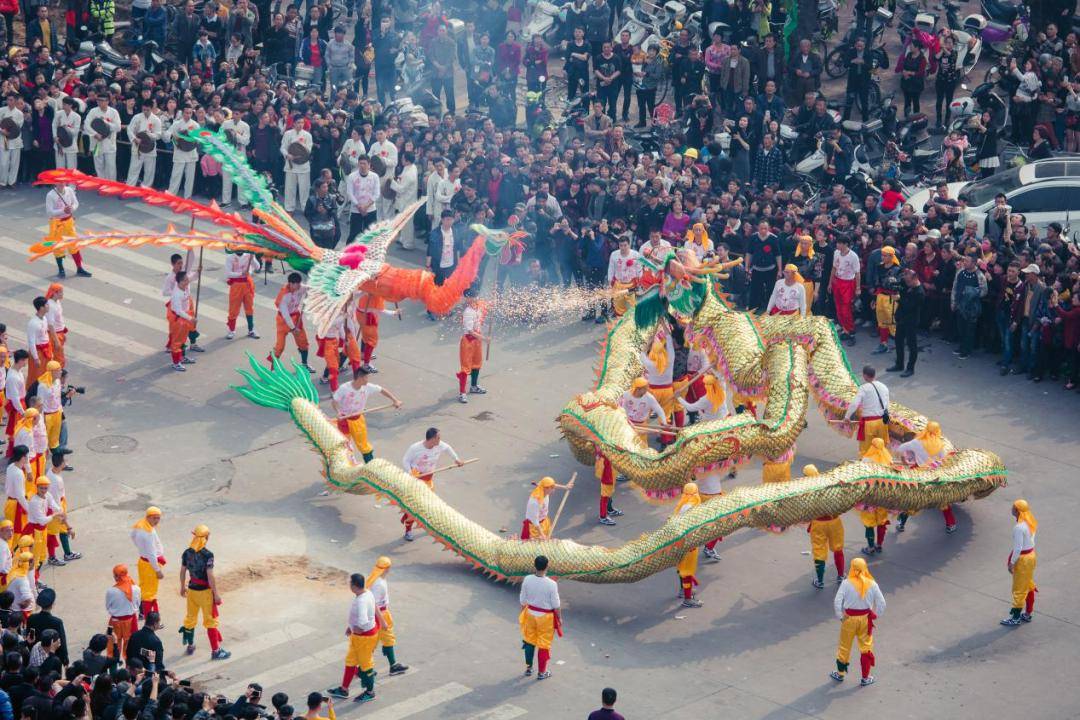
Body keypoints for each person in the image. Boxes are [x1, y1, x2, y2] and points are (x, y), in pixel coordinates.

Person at [325, 572, 383, 703]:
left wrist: (358, 628)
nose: (349, 585)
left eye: (350, 583)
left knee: (366, 665)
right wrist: (351, 627)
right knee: (350, 661)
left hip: (364, 638)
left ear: (355, 586)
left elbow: (363, 620)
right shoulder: (367, 593)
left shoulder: (361, 601)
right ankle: (344, 689)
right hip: (360, 636)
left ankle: (370, 692)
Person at [830, 557, 886, 686]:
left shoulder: (846, 583)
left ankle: (840, 673)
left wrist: (840, 616)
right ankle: (865, 677)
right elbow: (882, 603)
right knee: (866, 647)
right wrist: (876, 615)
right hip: (865, 619)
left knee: (844, 646)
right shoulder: (872, 583)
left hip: (849, 619)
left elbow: (837, 601)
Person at [400, 428, 463, 541]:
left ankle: (429, 524)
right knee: (415, 507)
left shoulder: (439, 445)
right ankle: (408, 530)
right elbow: (405, 460)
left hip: (428, 480)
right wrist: (410, 473)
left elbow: (448, 448)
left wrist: (456, 459)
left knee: (429, 504)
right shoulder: (415, 448)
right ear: (432, 439)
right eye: (438, 437)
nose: (440, 439)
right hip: (416, 480)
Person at [179, 524, 230, 659]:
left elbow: (183, 571)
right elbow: (210, 576)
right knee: (210, 621)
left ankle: (190, 645)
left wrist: (182, 587)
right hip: (205, 593)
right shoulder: (208, 555)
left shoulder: (187, 553)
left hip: (191, 590)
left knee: (190, 618)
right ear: (206, 537)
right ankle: (216, 651)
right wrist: (216, 594)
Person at [332, 369, 403, 464]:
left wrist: (395, 400)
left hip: (357, 419)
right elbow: (334, 402)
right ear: (360, 378)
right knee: (344, 444)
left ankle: (370, 465)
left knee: (363, 444)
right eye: (366, 377)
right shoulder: (344, 388)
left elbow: (382, 390)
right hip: (344, 420)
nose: (368, 380)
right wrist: (338, 412)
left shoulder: (367, 387)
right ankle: (344, 465)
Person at [518, 555, 561, 679]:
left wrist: (524, 613)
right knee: (543, 644)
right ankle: (542, 672)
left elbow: (523, 600)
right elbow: (556, 605)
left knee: (529, 641)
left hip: (530, 613)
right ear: (547, 566)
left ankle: (529, 668)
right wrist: (559, 618)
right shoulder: (552, 584)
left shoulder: (527, 579)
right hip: (545, 617)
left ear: (534, 565)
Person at [804, 464, 845, 588]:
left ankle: (820, 581)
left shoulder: (806, 491)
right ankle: (841, 576)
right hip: (834, 522)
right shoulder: (829, 484)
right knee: (838, 548)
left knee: (819, 551)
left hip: (819, 524)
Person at [365, 557, 407, 676]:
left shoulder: (377, 579)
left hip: (380, 614)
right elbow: (375, 604)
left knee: (381, 641)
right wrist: (382, 620)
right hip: (379, 615)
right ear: (387, 568)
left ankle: (363, 668)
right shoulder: (379, 584)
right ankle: (365, 668)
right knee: (384, 640)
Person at [44, 183, 89, 279]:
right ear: (55, 183)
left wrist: (72, 208)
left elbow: (75, 203)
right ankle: (61, 270)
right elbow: (50, 212)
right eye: (59, 182)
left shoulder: (69, 190)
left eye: (63, 181)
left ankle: (79, 268)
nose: (61, 184)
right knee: (58, 247)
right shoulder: (50, 195)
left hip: (69, 222)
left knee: (74, 245)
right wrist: (63, 211)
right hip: (56, 224)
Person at [844, 365, 889, 455]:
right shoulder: (884, 387)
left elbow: (854, 404)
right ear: (874, 374)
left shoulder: (864, 388)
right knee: (881, 450)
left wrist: (847, 417)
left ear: (864, 375)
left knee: (866, 451)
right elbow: (887, 405)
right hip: (882, 423)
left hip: (869, 424)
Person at [270, 273, 311, 371]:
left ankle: (304, 364)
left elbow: (310, 289)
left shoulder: (300, 287)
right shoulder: (284, 296)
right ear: (291, 284)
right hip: (283, 320)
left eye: (300, 283)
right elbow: (286, 316)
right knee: (280, 346)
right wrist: (293, 328)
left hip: (296, 317)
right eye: (297, 284)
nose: (299, 286)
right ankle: (273, 368)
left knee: (303, 342)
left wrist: (312, 287)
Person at [859, 438, 893, 555]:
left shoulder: (867, 459)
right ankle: (879, 545)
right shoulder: (888, 458)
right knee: (882, 520)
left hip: (870, 496)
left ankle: (870, 547)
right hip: (883, 495)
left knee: (869, 522)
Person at [130, 507, 165, 618]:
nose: (157, 521)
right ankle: (148, 617)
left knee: (144, 588)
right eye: (154, 518)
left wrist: (141, 548)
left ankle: (141, 612)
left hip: (143, 562)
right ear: (148, 517)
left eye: (158, 518)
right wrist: (157, 570)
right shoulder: (148, 533)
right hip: (150, 565)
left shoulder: (140, 525)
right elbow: (151, 554)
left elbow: (132, 536)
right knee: (150, 593)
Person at [887, 268, 923, 377]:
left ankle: (910, 368)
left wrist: (898, 299)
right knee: (898, 342)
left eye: (909, 281)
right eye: (906, 281)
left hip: (911, 321)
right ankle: (899, 364)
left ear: (915, 279)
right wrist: (893, 283)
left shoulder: (919, 292)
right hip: (901, 319)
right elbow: (899, 286)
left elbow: (908, 306)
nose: (907, 283)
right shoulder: (906, 283)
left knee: (912, 345)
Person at [44, 453, 78, 564]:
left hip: (58, 505)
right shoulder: (55, 481)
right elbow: (56, 504)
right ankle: (52, 557)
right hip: (55, 510)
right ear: (61, 463)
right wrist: (68, 525)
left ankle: (68, 553)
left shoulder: (51, 471)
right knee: (52, 533)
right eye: (64, 460)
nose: (66, 462)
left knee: (62, 530)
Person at [673, 482, 703, 608]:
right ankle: (688, 599)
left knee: (682, 568)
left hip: (680, 542)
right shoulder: (692, 507)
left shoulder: (682, 504)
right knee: (687, 571)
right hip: (688, 544)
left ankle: (683, 590)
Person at [104, 564, 141, 664]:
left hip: (115, 621)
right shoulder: (136, 588)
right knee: (131, 647)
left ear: (116, 576)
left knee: (112, 645)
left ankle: (113, 666)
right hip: (131, 621)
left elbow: (108, 606)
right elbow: (138, 604)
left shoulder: (111, 591)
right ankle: (129, 667)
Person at [456, 291, 488, 404]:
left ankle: (474, 386)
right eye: (471, 297)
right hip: (468, 342)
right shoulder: (468, 312)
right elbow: (470, 331)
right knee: (465, 367)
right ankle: (462, 393)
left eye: (475, 297)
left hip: (477, 341)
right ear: (467, 298)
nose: (474, 299)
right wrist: (484, 338)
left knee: (476, 363)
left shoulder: (478, 308)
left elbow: (479, 324)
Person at [26, 588, 67, 669]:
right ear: (52, 604)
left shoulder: (31, 618)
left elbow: (29, 637)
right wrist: (65, 660)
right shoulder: (57, 622)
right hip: (53, 658)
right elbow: (62, 643)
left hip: (36, 655)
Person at [830, 236, 860, 343]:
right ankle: (845, 329)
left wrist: (858, 288)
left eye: (839, 243)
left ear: (846, 244)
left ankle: (851, 331)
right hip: (837, 281)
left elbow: (857, 273)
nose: (837, 245)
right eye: (837, 243)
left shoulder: (853, 256)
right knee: (838, 308)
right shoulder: (836, 253)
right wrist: (830, 282)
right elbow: (834, 268)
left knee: (846, 309)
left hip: (848, 283)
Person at [83, 95, 121, 181]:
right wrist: (95, 134)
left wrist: (105, 124)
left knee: (110, 166)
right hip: (96, 143)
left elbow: (118, 127)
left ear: (107, 101)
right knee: (98, 165)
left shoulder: (113, 112)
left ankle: (111, 185)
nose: (101, 102)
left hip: (109, 144)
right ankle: (101, 183)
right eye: (99, 100)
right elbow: (86, 125)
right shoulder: (93, 111)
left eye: (103, 100)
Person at [224, 251, 260, 340]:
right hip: (236, 285)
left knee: (249, 308)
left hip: (248, 284)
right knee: (233, 309)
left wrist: (253, 258)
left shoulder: (248, 255)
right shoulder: (230, 257)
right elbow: (228, 273)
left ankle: (251, 330)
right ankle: (231, 330)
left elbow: (257, 267)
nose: (240, 249)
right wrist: (241, 274)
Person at [872, 246, 901, 354]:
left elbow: (899, 286)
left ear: (891, 256)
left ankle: (899, 346)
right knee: (882, 321)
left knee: (892, 322)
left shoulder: (897, 269)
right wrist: (874, 299)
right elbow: (877, 283)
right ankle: (883, 343)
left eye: (885, 255)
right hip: (880, 296)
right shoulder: (879, 267)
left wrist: (894, 285)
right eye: (882, 255)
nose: (882, 257)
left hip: (891, 298)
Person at [126, 100, 161, 188]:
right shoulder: (136, 117)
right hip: (137, 146)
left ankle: (146, 189)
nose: (145, 111)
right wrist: (134, 138)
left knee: (149, 171)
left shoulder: (156, 120)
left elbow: (158, 135)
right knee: (133, 169)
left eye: (147, 110)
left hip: (150, 148)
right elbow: (129, 129)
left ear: (152, 109)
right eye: (144, 109)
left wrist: (148, 135)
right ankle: (129, 188)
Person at [167, 272, 197, 372]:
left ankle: (182, 357)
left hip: (184, 317)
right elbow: (178, 311)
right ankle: (176, 363)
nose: (188, 281)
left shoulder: (185, 287)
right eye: (185, 280)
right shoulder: (176, 294)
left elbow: (194, 277)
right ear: (179, 282)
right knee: (177, 342)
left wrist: (198, 271)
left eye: (187, 279)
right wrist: (190, 318)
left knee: (183, 340)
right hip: (178, 319)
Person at [281, 120, 313, 213]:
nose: (300, 125)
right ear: (294, 123)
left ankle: (305, 208)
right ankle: (289, 208)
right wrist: (287, 155)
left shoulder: (307, 135)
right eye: (298, 123)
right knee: (290, 188)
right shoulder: (288, 134)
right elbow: (283, 147)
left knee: (304, 189)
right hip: (291, 165)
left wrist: (301, 148)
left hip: (303, 165)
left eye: (302, 123)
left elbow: (309, 150)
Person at [606, 236, 641, 319]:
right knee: (619, 308)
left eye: (625, 245)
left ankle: (631, 323)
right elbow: (611, 269)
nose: (623, 248)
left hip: (632, 285)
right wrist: (610, 282)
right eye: (621, 245)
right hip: (619, 284)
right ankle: (619, 322)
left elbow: (639, 269)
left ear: (629, 245)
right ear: (618, 245)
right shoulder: (614, 254)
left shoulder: (635, 254)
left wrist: (640, 282)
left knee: (632, 307)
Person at [0, 94, 22, 190]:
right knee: (3, 163)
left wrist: (8, 132)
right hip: (3, 140)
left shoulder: (19, 113)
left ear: (15, 101)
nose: (9, 102)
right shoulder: (1, 110)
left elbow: (18, 128)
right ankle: (2, 182)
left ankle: (11, 181)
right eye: (8, 100)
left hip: (15, 141)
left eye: (11, 100)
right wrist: (2, 131)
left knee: (14, 163)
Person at [43, 285, 67, 367]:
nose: (62, 294)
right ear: (54, 293)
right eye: (61, 292)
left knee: (59, 356)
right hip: (54, 334)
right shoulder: (51, 306)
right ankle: (57, 372)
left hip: (59, 332)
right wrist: (56, 341)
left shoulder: (57, 302)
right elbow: (50, 325)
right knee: (59, 358)